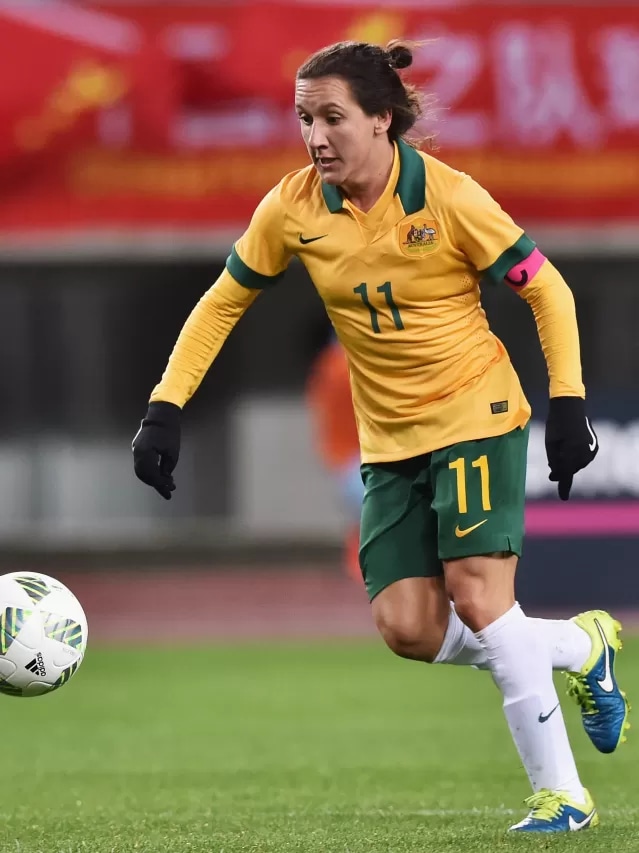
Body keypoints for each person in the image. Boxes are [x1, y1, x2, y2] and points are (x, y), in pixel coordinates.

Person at [132, 39, 630, 833]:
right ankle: (579, 648)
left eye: (332, 117)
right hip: (390, 440)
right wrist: (166, 405)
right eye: (304, 119)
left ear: (382, 120)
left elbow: (550, 290)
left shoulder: (449, 197)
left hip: (475, 414)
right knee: (408, 628)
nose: (315, 136)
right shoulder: (291, 207)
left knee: (479, 597)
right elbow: (221, 303)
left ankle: (562, 796)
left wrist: (565, 400)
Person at [305, 333, 363, 582]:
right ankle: (361, 567)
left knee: (363, 515)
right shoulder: (345, 364)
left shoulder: (328, 363)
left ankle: (358, 565)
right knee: (368, 513)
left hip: (348, 454)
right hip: (362, 451)